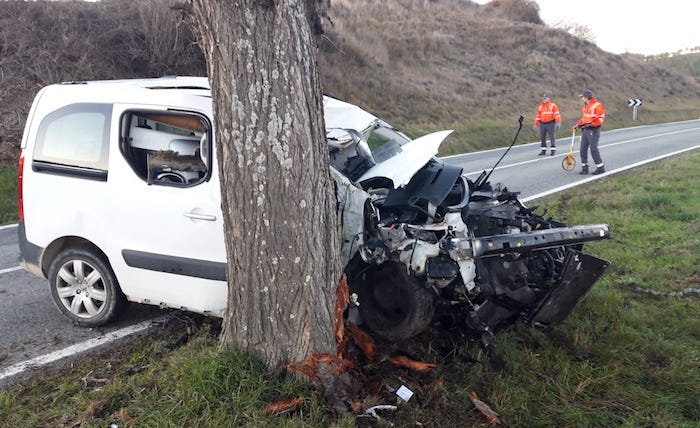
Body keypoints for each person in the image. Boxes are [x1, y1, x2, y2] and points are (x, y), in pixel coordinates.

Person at [573, 89, 606, 175]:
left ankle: (600, 168)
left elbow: (601, 118)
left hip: (593, 130)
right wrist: (578, 125)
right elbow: (584, 118)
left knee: (593, 149)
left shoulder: (597, 105)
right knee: (582, 149)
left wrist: (592, 124)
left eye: (582, 97)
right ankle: (585, 168)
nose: (581, 98)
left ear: (586, 97)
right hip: (585, 130)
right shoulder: (585, 106)